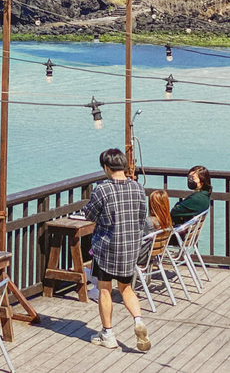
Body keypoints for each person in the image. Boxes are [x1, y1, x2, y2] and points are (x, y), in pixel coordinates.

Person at [81, 148, 151, 352]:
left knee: (105, 289)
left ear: (106, 167)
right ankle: (138, 321)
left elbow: (90, 215)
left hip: (107, 247)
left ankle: (108, 333)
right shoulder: (138, 188)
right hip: (130, 247)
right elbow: (141, 218)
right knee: (126, 288)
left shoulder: (103, 189)